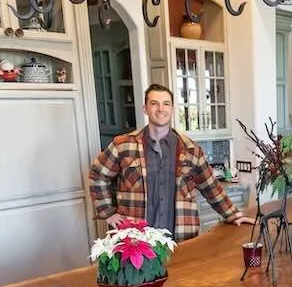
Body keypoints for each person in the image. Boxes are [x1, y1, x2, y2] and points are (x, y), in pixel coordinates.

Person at [88, 84, 254, 241]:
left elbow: (211, 188)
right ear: (145, 109)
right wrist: (107, 212)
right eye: (154, 103)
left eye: (166, 104)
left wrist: (234, 215)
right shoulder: (123, 145)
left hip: (181, 239)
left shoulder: (191, 150)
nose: (161, 109)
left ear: (173, 110)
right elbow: (97, 175)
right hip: (136, 240)